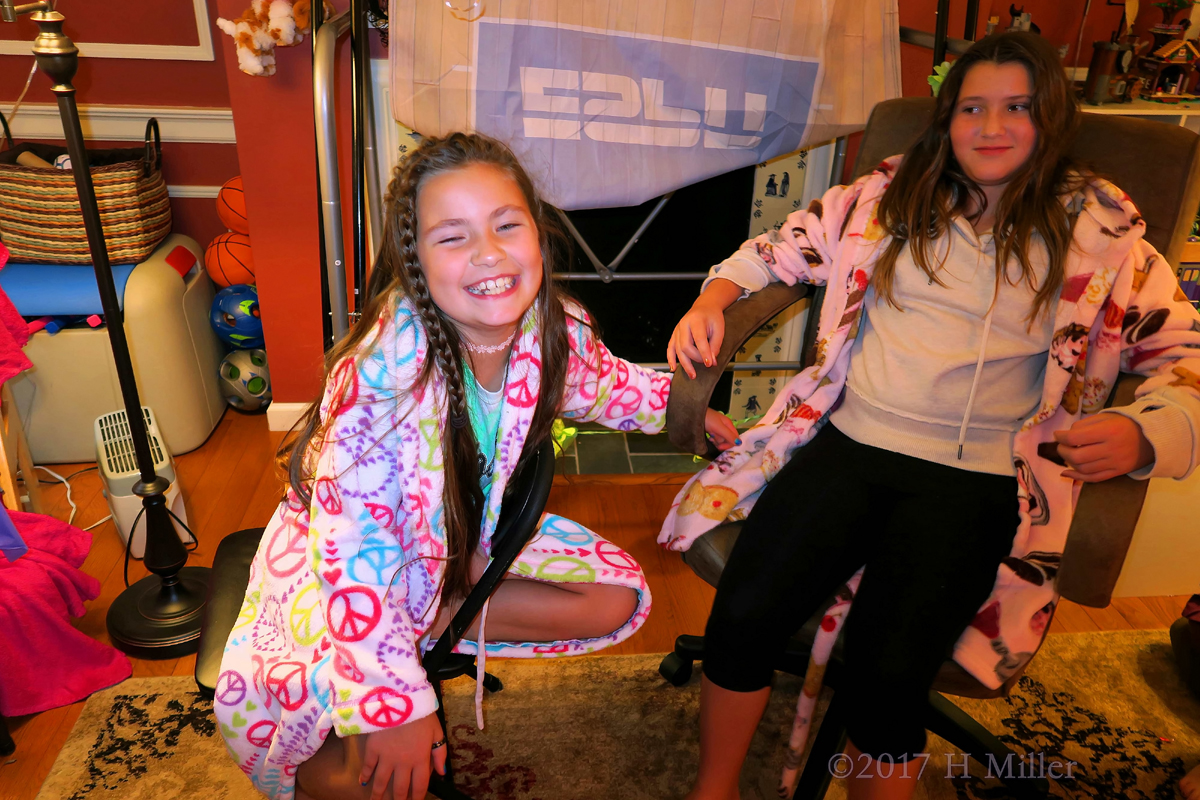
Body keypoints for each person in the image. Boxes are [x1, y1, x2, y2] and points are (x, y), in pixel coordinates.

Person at [661, 32, 1200, 800]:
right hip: (853, 443)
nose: (991, 127)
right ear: (946, 119)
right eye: (972, 108)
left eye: (1017, 107)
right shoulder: (883, 201)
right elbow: (778, 248)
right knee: (744, 615)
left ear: (1051, 119)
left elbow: (1185, 356)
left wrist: (1149, 431)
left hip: (974, 479)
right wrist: (713, 298)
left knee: (889, 677)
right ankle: (712, 791)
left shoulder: (1102, 239)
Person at [214, 132, 738, 800]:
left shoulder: (553, 329)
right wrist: (395, 705)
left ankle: (439, 614)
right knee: (366, 768)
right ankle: (348, 737)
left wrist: (682, 413)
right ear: (416, 264)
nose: (489, 253)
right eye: (453, 236)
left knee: (614, 598)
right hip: (347, 573)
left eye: (506, 225)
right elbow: (354, 547)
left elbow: (608, 385)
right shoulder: (384, 377)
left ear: (537, 235)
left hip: (456, 544)